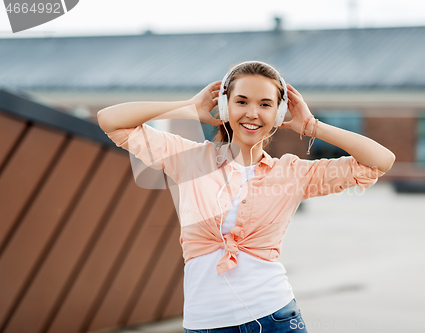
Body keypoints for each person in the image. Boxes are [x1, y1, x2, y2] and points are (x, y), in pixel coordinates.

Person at [97, 61, 396, 333]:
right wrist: (188, 107)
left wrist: (312, 126)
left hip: (276, 318)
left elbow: (380, 161)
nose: (252, 113)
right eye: (241, 102)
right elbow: (110, 120)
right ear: (225, 107)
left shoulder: (292, 172)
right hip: (206, 324)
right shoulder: (187, 159)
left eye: (265, 105)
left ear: (278, 114)